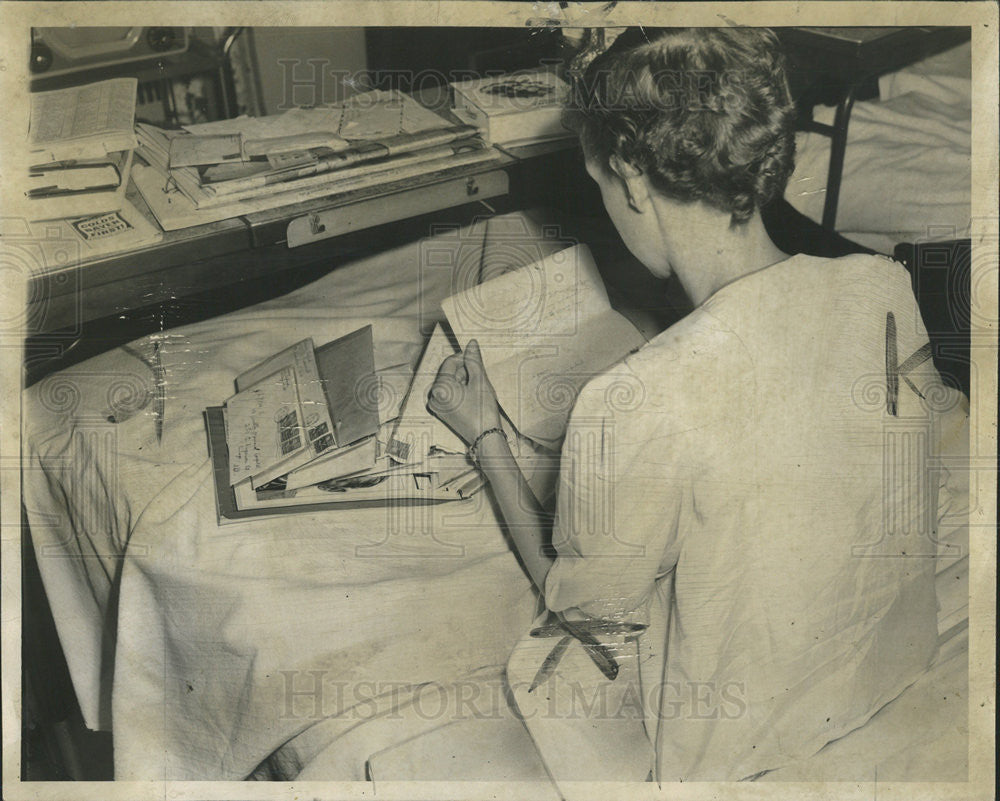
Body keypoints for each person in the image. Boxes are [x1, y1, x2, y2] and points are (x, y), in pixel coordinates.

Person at [428, 27, 956, 781]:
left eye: (602, 187)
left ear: (634, 181)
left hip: (740, 741)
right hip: (887, 663)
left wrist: (486, 438)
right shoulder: (883, 288)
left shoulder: (632, 399)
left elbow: (585, 616)